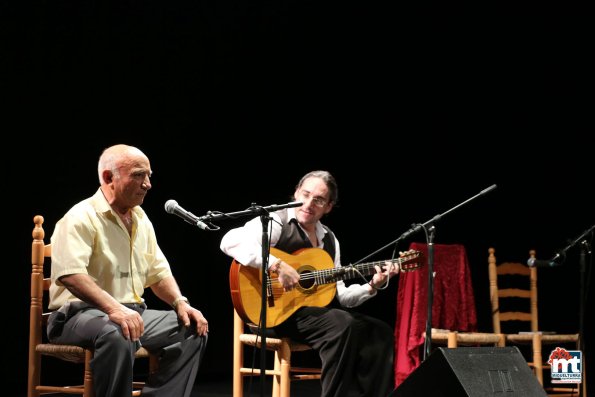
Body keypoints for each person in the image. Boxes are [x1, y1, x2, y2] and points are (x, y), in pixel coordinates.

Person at [47, 144, 208, 397]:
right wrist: (114, 309)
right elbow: (71, 275)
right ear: (109, 177)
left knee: (192, 327)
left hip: (131, 313)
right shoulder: (80, 217)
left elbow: (159, 272)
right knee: (117, 333)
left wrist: (180, 302)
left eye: (149, 176)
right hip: (76, 316)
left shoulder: (141, 219)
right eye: (138, 175)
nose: (148, 184)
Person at [220, 170, 399, 397]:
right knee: (341, 323)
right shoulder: (277, 220)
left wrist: (372, 285)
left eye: (319, 200)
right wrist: (276, 265)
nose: (308, 203)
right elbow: (229, 241)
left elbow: (342, 296)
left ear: (329, 207)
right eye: (305, 195)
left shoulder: (330, 240)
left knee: (378, 332)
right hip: (272, 313)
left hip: (309, 318)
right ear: (295, 193)